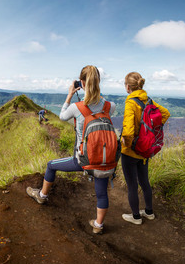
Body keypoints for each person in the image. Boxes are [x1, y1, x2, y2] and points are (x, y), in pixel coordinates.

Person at [26, 65, 116, 234]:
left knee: (51, 165)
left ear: (81, 83)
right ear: (98, 83)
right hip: (104, 160)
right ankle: (98, 225)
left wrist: (69, 95)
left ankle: (42, 196)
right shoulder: (110, 106)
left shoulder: (77, 107)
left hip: (83, 159)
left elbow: (62, 116)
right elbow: (103, 105)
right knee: (101, 193)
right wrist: (96, 94)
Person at [120, 72, 170, 225]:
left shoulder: (131, 103)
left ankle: (135, 217)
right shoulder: (148, 100)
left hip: (131, 152)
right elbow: (165, 114)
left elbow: (128, 131)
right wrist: (148, 134)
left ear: (127, 87)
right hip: (146, 149)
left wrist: (126, 146)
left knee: (132, 185)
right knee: (144, 181)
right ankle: (149, 212)